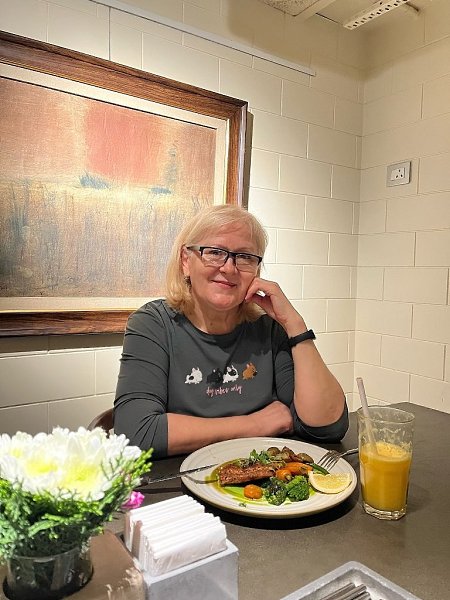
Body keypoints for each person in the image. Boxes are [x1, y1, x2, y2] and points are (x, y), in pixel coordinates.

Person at [114, 205, 348, 458]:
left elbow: (327, 427)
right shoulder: (153, 324)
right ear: (185, 261)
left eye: (245, 257)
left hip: (265, 476)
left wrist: (295, 325)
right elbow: (137, 434)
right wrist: (255, 425)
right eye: (214, 252)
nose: (229, 268)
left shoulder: (269, 329)